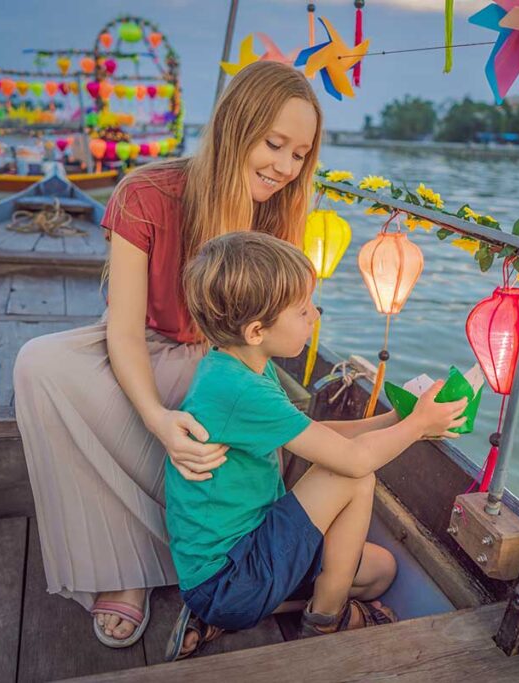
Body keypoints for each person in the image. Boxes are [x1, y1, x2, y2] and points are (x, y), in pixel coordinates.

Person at [12, 62, 326, 648]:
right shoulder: (146, 193)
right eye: (274, 144)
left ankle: (216, 557)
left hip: (224, 359)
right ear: (234, 128)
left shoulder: (280, 209)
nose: (285, 167)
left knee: (229, 400)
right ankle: (121, 566)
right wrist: (157, 419)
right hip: (146, 345)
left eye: (300, 154)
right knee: (38, 364)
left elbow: (266, 333)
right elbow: (125, 331)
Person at [164, 232, 466, 657]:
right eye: (302, 309)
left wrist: (399, 418)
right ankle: (326, 620)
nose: (314, 314)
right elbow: (353, 460)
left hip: (248, 555)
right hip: (228, 577)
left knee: (380, 572)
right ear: (256, 331)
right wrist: (418, 426)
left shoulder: (242, 364)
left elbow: (318, 434)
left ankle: (221, 617)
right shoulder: (237, 389)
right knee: (355, 476)